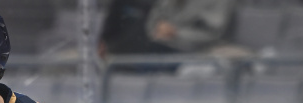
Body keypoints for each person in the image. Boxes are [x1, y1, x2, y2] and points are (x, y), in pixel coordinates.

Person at [99, 0, 236, 57]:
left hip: (193, 52)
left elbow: (213, 33)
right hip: (158, 45)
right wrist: (158, 29)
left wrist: (176, 33)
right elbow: (154, 20)